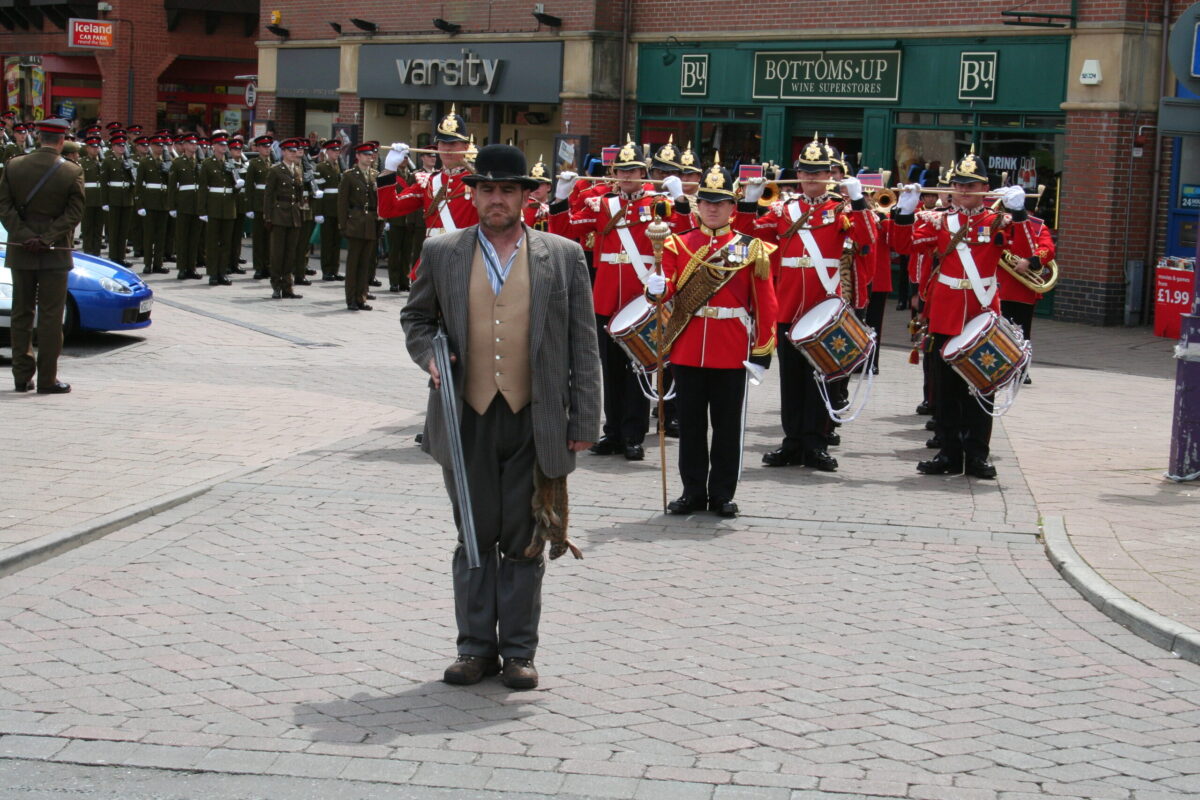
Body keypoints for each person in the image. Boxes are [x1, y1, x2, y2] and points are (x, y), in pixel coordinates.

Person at [400, 144, 602, 691]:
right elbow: (415, 318)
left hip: (533, 417)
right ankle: (473, 650)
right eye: (486, 189)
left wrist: (585, 419)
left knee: (523, 536)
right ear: (474, 194)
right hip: (465, 416)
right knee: (473, 530)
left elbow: (584, 343)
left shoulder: (562, 255)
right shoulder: (442, 251)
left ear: (527, 196)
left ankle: (517, 652)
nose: (496, 199)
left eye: (507, 190)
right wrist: (431, 356)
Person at [892, 147, 1035, 479]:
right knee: (946, 389)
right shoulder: (939, 220)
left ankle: (977, 455)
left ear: (985, 189)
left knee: (983, 386)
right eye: (960, 184)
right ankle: (949, 452)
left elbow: (1028, 253)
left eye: (972, 185)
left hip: (982, 312)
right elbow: (902, 247)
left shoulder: (998, 220)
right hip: (945, 312)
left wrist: (1021, 212)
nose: (965, 191)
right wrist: (904, 211)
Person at [648, 159, 778, 518]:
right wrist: (656, 288)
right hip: (688, 346)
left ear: (732, 207)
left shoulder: (750, 248)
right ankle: (692, 492)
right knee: (690, 427)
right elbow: (668, 288)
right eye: (706, 201)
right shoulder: (678, 243)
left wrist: (763, 349)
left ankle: (721, 493)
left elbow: (765, 304)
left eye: (720, 202)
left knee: (726, 428)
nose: (712, 208)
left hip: (731, 348)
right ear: (698, 205)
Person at [549, 136, 690, 461]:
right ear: (614, 172)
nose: (627, 176)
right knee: (610, 369)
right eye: (621, 170)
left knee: (639, 367)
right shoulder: (604, 204)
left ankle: (633, 435)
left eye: (633, 170)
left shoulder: (658, 203)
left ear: (643, 172)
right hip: (607, 298)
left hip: (641, 298)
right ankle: (612, 432)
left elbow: (684, 232)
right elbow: (565, 230)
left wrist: (680, 199)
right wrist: (561, 198)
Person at [743, 134, 876, 472]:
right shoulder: (784, 209)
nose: (812, 177)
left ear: (831, 174)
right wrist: (747, 204)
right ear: (798, 174)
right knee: (792, 378)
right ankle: (792, 441)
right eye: (806, 171)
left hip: (825, 306)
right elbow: (747, 242)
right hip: (789, 305)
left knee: (823, 377)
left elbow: (867, 242)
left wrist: (859, 202)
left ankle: (816, 442)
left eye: (819, 172)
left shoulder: (841, 209)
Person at [0, 118, 85, 394]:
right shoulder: (71, 172)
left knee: (21, 314)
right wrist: (47, 238)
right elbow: (74, 213)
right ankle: (48, 380)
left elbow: (4, 207)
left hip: (21, 249)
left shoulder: (14, 166)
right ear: (62, 140)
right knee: (50, 316)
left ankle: (22, 377)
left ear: (38, 137)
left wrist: (26, 236)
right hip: (54, 253)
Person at [378, 106, 478, 259]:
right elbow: (388, 210)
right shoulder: (428, 182)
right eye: (442, 143)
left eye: (453, 144)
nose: (447, 149)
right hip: (432, 259)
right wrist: (390, 169)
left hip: (464, 258)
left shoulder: (477, 183)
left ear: (465, 147)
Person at [382, 149, 432, 292]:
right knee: (394, 251)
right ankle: (393, 281)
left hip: (408, 219)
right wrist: (386, 220)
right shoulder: (392, 175)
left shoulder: (411, 175)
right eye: (402, 158)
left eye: (406, 158)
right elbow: (388, 197)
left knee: (406, 252)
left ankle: (404, 281)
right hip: (396, 219)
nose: (404, 161)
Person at [339, 141, 381, 310]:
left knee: (365, 263)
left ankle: (361, 297)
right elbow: (342, 203)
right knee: (353, 263)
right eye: (365, 154)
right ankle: (351, 299)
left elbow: (379, 202)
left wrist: (380, 222)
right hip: (355, 221)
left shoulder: (375, 175)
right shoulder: (349, 175)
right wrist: (343, 225)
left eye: (371, 155)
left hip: (370, 222)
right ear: (357, 156)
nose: (369, 157)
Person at [263, 138, 308, 299]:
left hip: (294, 214)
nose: (293, 154)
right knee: (277, 253)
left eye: (295, 151)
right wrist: (267, 216)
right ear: (283, 152)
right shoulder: (275, 170)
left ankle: (288, 287)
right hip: (279, 215)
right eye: (290, 151)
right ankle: (276, 285)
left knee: (290, 253)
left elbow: (300, 194)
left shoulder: (297, 169)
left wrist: (301, 211)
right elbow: (268, 195)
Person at [197, 131, 243, 286]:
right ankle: (212, 273)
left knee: (225, 242)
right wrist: (202, 210)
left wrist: (237, 186)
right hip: (214, 206)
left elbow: (234, 185)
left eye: (225, 145)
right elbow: (203, 188)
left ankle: (222, 272)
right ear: (214, 146)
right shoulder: (207, 164)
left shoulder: (230, 163)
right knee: (212, 242)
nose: (224, 147)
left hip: (229, 206)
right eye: (221, 145)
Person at [167, 133, 203, 280]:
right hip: (183, 204)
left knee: (194, 239)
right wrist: (172, 206)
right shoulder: (178, 163)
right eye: (191, 143)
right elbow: (172, 186)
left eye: (195, 144)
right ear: (185, 145)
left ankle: (192, 267)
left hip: (197, 204)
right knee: (182, 238)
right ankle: (182, 268)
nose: (194, 146)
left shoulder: (200, 162)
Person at [135, 133, 171, 275]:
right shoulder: (145, 162)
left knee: (161, 235)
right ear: (151, 146)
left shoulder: (168, 162)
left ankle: (158, 263)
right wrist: (140, 204)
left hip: (163, 203)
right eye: (157, 145)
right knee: (149, 235)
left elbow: (171, 184)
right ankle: (147, 263)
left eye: (162, 145)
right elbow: (139, 185)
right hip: (149, 202)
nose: (160, 148)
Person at [100, 131, 136, 267]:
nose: (122, 148)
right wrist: (105, 201)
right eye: (119, 145)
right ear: (113, 147)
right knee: (114, 230)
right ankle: (113, 257)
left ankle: (121, 256)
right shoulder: (108, 161)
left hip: (126, 198)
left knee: (124, 230)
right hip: (114, 199)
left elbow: (133, 181)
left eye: (123, 145)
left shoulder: (127, 161)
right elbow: (104, 183)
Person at [313, 139, 345, 281]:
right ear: (327, 152)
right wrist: (318, 212)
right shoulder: (321, 167)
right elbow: (319, 191)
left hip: (338, 208)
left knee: (336, 241)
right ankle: (326, 270)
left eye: (338, 151)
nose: (336, 153)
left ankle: (335, 269)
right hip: (327, 207)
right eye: (333, 151)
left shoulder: (340, 167)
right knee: (327, 241)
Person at [245, 135, 274, 280]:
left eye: (269, 146)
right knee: (258, 238)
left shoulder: (274, 163)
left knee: (270, 238)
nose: (267, 149)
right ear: (258, 148)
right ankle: (258, 267)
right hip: (258, 204)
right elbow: (249, 186)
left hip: (271, 205)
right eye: (264, 146)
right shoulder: (254, 164)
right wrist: (249, 207)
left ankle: (268, 266)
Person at [78, 134, 106, 256]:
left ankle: (97, 251)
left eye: (97, 147)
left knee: (98, 228)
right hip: (88, 198)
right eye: (92, 147)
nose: (95, 149)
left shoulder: (103, 162)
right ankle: (88, 251)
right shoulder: (82, 162)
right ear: (87, 148)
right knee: (88, 227)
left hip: (100, 199)